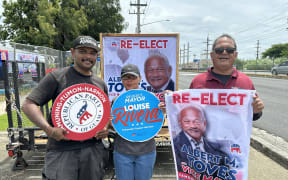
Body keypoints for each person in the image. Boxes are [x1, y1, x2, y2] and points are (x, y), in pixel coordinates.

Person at [22, 35, 109, 180]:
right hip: (62, 151)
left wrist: (105, 128)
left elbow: (105, 113)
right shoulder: (57, 77)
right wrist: (49, 130)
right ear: (73, 52)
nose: (88, 56)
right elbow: (28, 104)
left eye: (92, 53)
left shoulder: (100, 84)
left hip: (93, 151)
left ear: (97, 56)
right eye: (83, 51)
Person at [189, 34, 264, 120]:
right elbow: (187, 110)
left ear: (235, 55)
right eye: (219, 50)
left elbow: (253, 115)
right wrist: (171, 100)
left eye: (229, 50)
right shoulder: (197, 81)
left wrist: (256, 111)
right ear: (212, 55)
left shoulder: (246, 82)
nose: (224, 53)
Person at [112, 64, 157, 180]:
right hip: (123, 151)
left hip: (146, 151)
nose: (129, 81)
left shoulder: (151, 98)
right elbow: (112, 126)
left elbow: (158, 122)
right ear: (121, 80)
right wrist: (110, 124)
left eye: (132, 77)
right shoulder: (116, 101)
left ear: (140, 78)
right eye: (126, 78)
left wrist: (165, 105)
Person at [173, 106, 229, 175]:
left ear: (204, 123)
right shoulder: (175, 146)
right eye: (187, 122)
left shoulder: (217, 149)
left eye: (197, 121)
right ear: (180, 123)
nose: (193, 126)